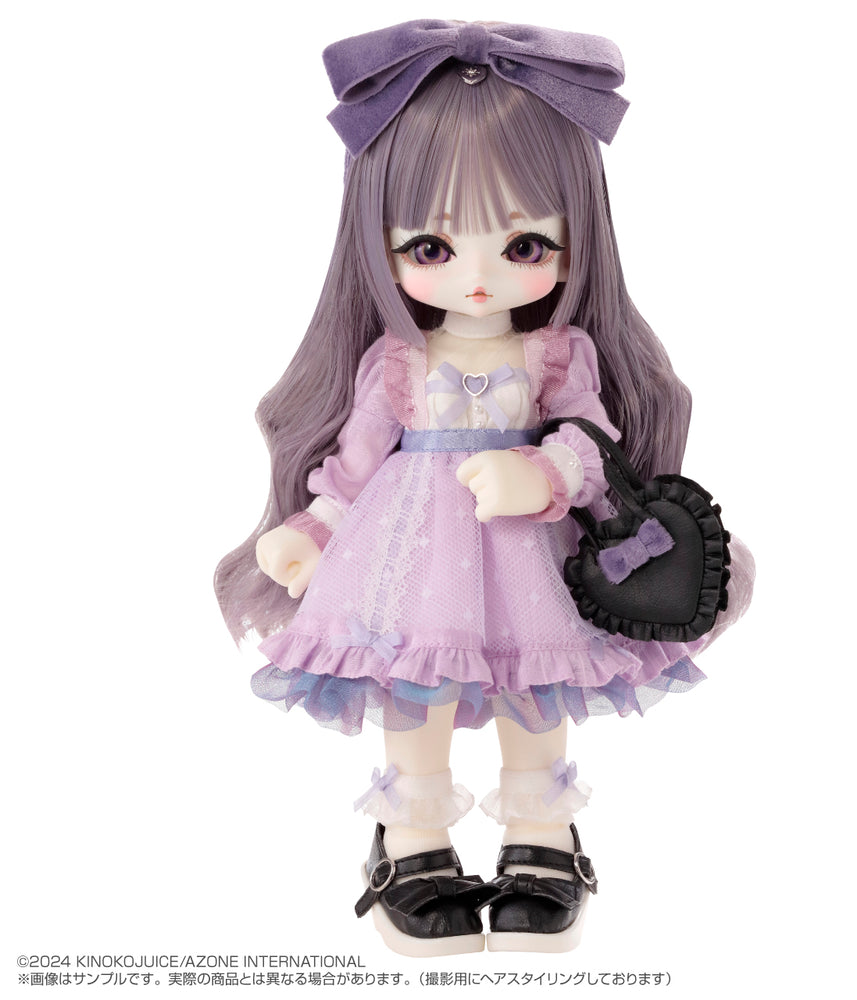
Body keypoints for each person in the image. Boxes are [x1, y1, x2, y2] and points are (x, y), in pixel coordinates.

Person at [215, 20, 753, 957]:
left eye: (524, 244)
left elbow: (591, 441)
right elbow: (354, 464)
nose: (475, 278)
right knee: (415, 693)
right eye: (430, 247)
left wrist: (540, 471)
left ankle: (542, 831)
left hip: (526, 553)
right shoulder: (394, 361)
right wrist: (312, 529)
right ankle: (411, 839)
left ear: (576, 238)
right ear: (377, 243)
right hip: (406, 561)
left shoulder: (556, 353)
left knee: (533, 686)